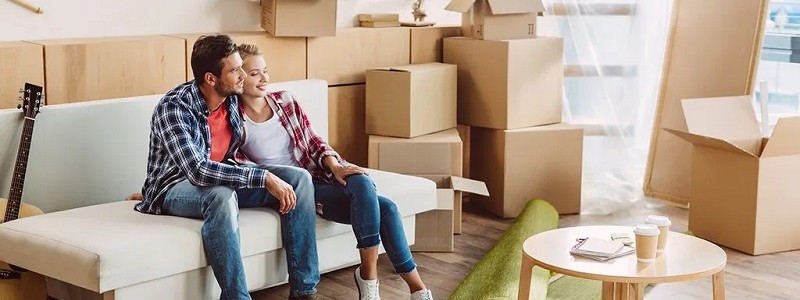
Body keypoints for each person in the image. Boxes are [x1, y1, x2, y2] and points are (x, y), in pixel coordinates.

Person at [234, 43, 433, 300]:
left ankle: (372, 278)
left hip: (318, 173)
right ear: (239, 78)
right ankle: (410, 288)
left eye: (266, 71)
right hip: (295, 189)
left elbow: (314, 141)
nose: (264, 79)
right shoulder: (232, 118)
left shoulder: (285, 100)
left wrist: (335, 165)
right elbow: (239, 164)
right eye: (254, 74)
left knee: (361, 181)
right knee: (387, 209)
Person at [132, 34, 320, 300]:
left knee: (298, 180)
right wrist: (263, 177)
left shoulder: (231, 98)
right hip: (173, 188)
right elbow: (197, 171)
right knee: (220, 195)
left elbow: (252, 130)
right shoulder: (174, 108)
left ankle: (304, 291)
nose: (243, 75)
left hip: (222, 180)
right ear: (211, 78)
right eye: (234, 70)